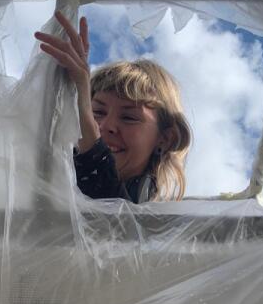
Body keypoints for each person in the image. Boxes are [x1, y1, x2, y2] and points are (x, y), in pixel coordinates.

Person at [35, 11, 192, 203]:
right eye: (97, 112)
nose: (105, 125)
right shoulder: (43, 178)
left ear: (165, 139)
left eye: (129, 117)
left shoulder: (164, 220)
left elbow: (113, 217)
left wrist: (93, 151)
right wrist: (62, 94)